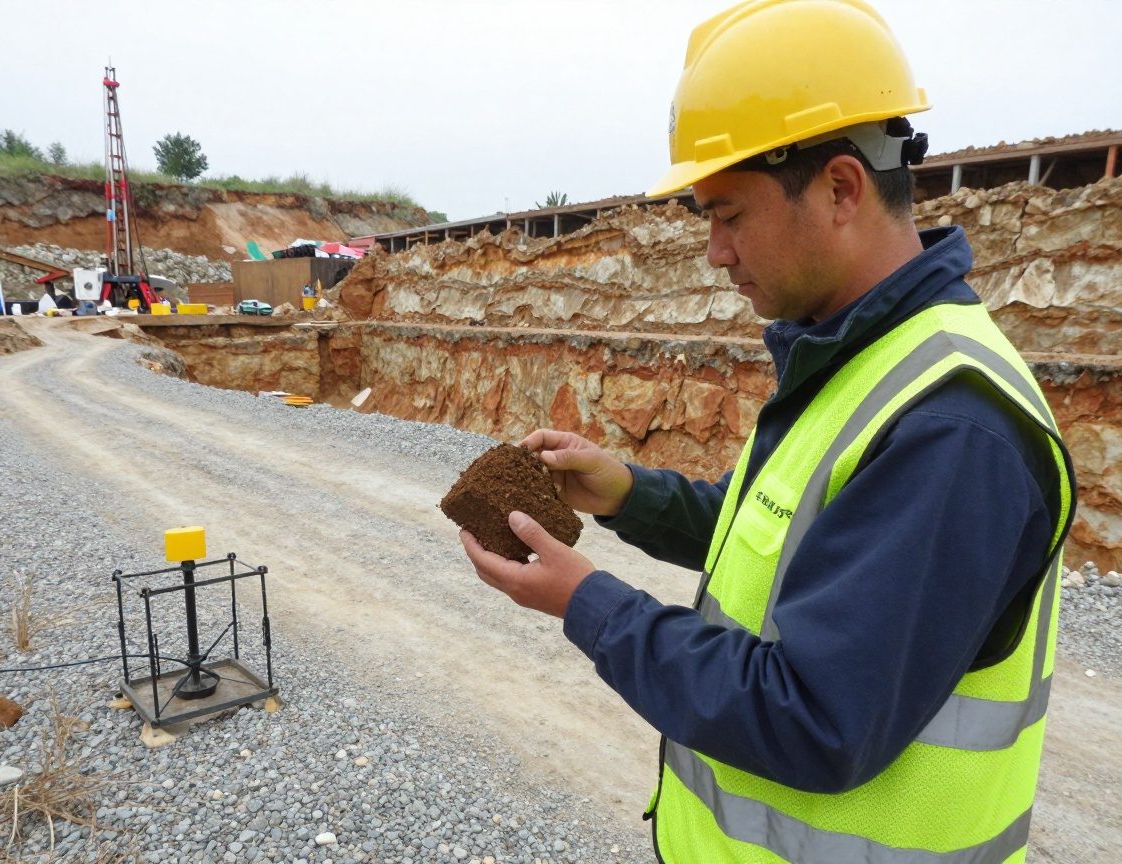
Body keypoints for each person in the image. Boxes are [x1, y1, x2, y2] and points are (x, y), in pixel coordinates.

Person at [458, 1, 1076, 862]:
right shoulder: (858, 355)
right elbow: (784, 540)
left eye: (729, 215)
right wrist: (631, 495)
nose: (714, 251)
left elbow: (815, 717)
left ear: (839, 189)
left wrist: (586, 602)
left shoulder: (952, 426)